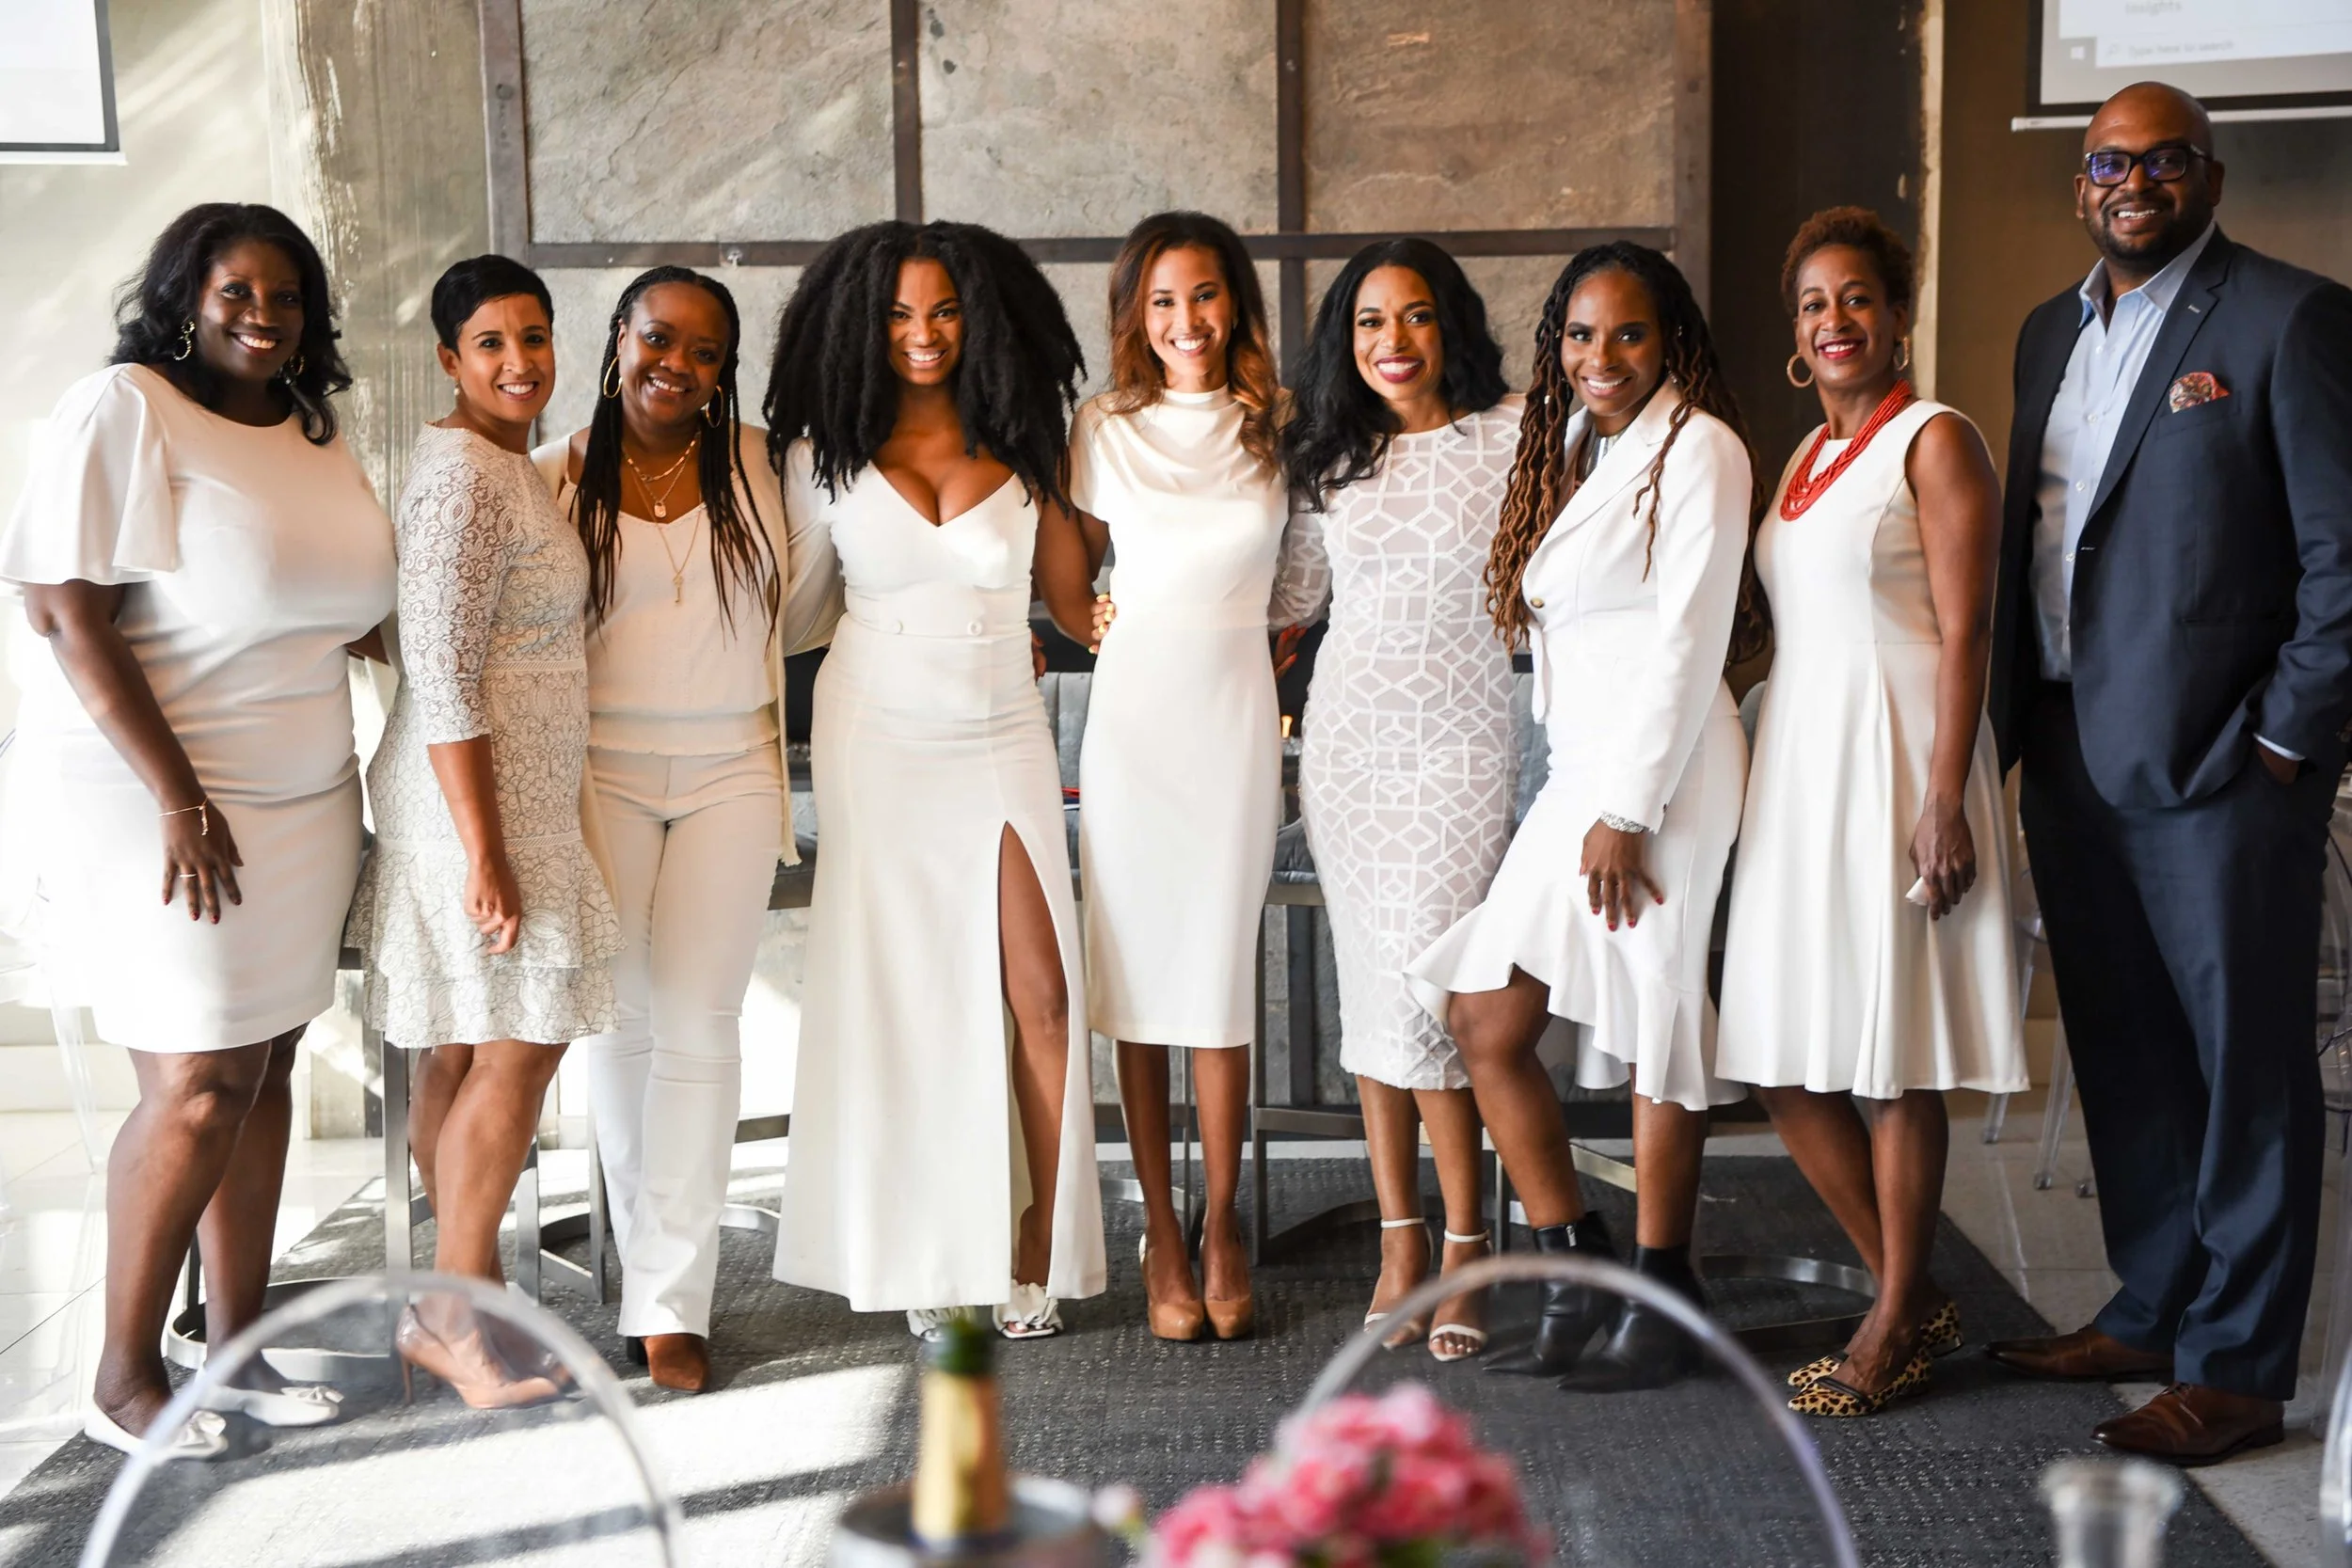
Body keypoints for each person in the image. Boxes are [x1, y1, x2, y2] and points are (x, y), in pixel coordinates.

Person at [1979, 82, 2352, 1465]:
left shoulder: (2288, 319)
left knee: (2246, 1068)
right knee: (2125, 1048)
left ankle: (2237, 1368)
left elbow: (2345, 559)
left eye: (2163, 160)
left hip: (2222, 770)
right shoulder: (2048, 332)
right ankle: (2152, 1305)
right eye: (2107, 163)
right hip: (2070, 749)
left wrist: (2283, 741)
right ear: (2079, 182)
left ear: (2211, 176)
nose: (2132, 183)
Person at [0, 203, 393, 1456]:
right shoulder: (128, 407)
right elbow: (64, 610)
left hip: (303, 789)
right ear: (184, 299)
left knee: (263, 1063)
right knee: (195, 1080)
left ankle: (234, 1346)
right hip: (160, 795)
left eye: (286, 295)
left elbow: (347, 609)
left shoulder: (313, 430)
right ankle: (121, 1377)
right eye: (237, 292)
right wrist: (179, 793)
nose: (264, 315)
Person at [1406, 242, 1757, 1390]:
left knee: (1659, 1008)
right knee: (1483, 1015)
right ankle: (1574, 1264)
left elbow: (1689, 639)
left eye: (1628, 333)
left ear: (1670, 341)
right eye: (1579, 334)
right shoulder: (1570, 445)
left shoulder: (1700, 449)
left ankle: (1665, 1289)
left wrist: (1628, 806)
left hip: (1665, 772)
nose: (1601, 356)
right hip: (1578, 771)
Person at [764, 219, 1105, 1338]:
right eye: (900, 314)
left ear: (983, 319)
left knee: (1041, 996)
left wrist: (1188, 597)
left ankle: (1033, 1244)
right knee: (906, 997)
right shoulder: (820, 457)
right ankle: (926, 1250)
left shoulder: (1032, 445)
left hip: (1001, 727)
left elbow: (1078, 610)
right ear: (863, 323)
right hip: (876, 733)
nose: (922, 333)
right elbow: (788, 614)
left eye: (945, 311)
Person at [1715, 208, 2025, 1419]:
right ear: (1795, 333)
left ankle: (1893, 1318)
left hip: (1899, 755)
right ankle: (1914, 1286)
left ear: (1897, 314)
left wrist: (1944, 794)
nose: (1833, 320)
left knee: (1889, 1057)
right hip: (1801, 758)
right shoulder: (1802, 454)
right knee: (1781, 1053)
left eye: (1855, 298)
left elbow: (1969, 629)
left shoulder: (1935, 440)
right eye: (1812, 304)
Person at [533, 266, 838, 1394]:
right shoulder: (551, 473)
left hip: (730, 769)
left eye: (706, 352)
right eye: (659, 338)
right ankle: (646, 1284)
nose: (678, 365)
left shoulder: (766, 466)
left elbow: (806, 609)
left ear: (725, 370)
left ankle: (674, 1303)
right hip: (596, 773)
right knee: (621, 1027)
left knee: (702, 1029)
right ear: (619, 335)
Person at [344, 254, 620, 1407]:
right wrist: (487, 849)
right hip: (478, 808)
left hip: (506, 799)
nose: (519, 362)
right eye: (491, 344)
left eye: (534, 337)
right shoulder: (464, 476)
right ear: (449, 360)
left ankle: (466, 1298)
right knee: (521, 1043)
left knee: (462, 1054)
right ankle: (453, 1316)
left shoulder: (502, 465)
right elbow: (443, 670)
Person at [1072, 212, 1318, 1342]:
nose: (1186, 320)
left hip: (1230, 721)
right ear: (1137, 313)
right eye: (1163, 300)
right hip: (1132, 723)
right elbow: (1068, 569)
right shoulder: (1102, 426)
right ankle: (1160, 1229)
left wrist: (1266, 633)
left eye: (1205, 295)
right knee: (1134, 981)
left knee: (1217, 979)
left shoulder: (1279, 425)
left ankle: (1223, 1222)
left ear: (1236, 304)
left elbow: (1303, 577)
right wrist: (1090, 612)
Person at [1277, 238, 1518, 1360]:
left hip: (1464, 740)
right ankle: (1400, 1239)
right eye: (1370, 321)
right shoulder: (1329, 457)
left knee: (1435, 991)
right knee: (1373, 992)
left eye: (1414, 315)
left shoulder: (1513, 434)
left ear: (1448, 323)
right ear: (1346, 339)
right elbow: (1290, 594)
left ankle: (1468, 1241)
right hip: (1349, 743)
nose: (1393, 341)